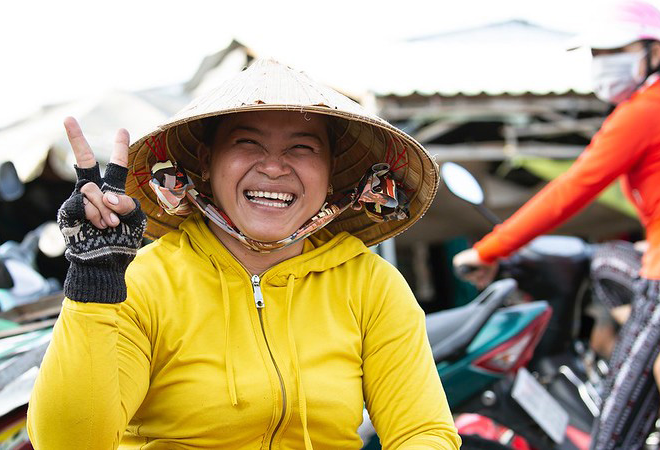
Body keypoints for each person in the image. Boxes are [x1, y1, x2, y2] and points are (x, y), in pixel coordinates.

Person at [27, 59, 461, 449]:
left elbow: (422, 432)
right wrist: (93, 286)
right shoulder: (144, 282)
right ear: (206, 162)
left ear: (330, 175)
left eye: (303, 148)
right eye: (247, 144)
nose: (273, 167)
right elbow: (69, 443)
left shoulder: (371, 285)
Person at [452, 1, 660, 448]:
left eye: (614, 50)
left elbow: (571, 189)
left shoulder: (644, 110)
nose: (603, 63)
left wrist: (488, 249)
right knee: (608, 260)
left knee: (616, 427)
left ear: (655, 52)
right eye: (597, 54)